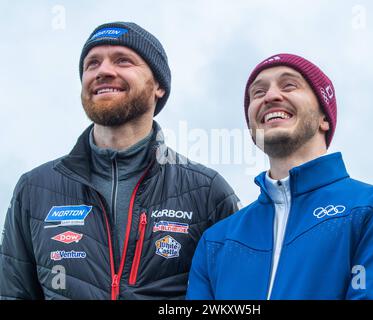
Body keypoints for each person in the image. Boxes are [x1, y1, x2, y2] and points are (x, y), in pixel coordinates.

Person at [0, 22, 240, 300]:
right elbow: (12, 293)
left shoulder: (207, 191)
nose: (103, 71)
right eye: (92, 64)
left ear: (159, 86)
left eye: (123, 60)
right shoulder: (35, 188)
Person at [186, 53, 373, 299]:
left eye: (289, 85)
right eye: (258, 93)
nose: (271, 96)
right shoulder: (216, 242)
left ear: (324, 119)